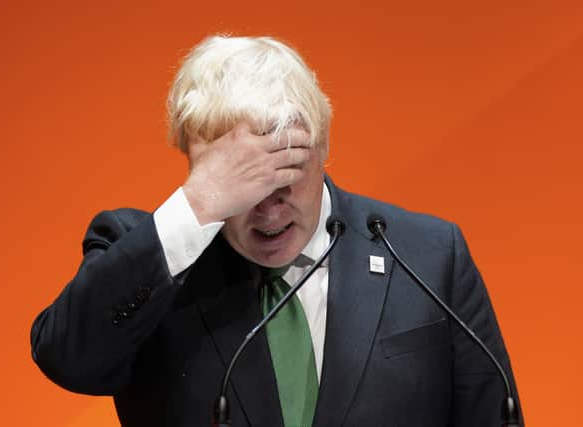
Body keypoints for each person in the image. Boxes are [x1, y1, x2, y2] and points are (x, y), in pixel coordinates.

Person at [31, 35, 523, 426]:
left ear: (324, 146)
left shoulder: (427, 256)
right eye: (240, 181)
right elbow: (69, 361)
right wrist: (199, 204)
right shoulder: (146, 256)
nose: (267, 210)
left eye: (286, 174)